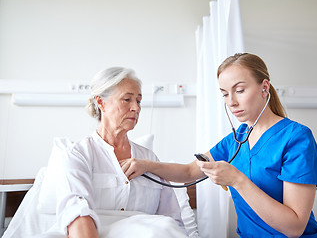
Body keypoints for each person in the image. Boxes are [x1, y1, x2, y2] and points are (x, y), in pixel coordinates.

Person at [121, 53, 317, 238]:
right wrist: (146, 165)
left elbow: (294, 227)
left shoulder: (296, 138)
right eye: (225, 94)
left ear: (264, 87)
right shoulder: (237, 138)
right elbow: (189, 171)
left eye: (239, 90)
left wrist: (237, 180)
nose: (231, 102)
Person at [3, 67, 187, 238]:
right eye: (127, 99)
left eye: (139, 101)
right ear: (101, 102)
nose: (136, 108)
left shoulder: (149, 159)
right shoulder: (78, 155)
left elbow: (172, 220)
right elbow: (77, 214)